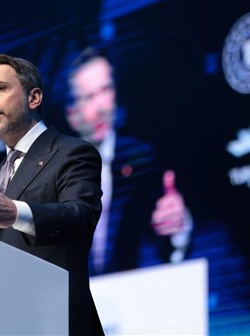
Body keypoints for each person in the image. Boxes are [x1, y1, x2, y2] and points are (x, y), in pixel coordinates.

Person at [0, 52, 105, 336]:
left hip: (56, 320)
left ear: (34, 98)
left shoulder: (71, 152)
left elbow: (81, 215)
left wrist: (16, 212)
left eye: (0, 88)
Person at [65, 46, 192, 276]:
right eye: (89, 97)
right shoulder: (57, 177)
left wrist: (177, 227)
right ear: (72, 114)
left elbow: (164, 242)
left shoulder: (142, 159)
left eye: (106, 90)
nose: (101, 107)